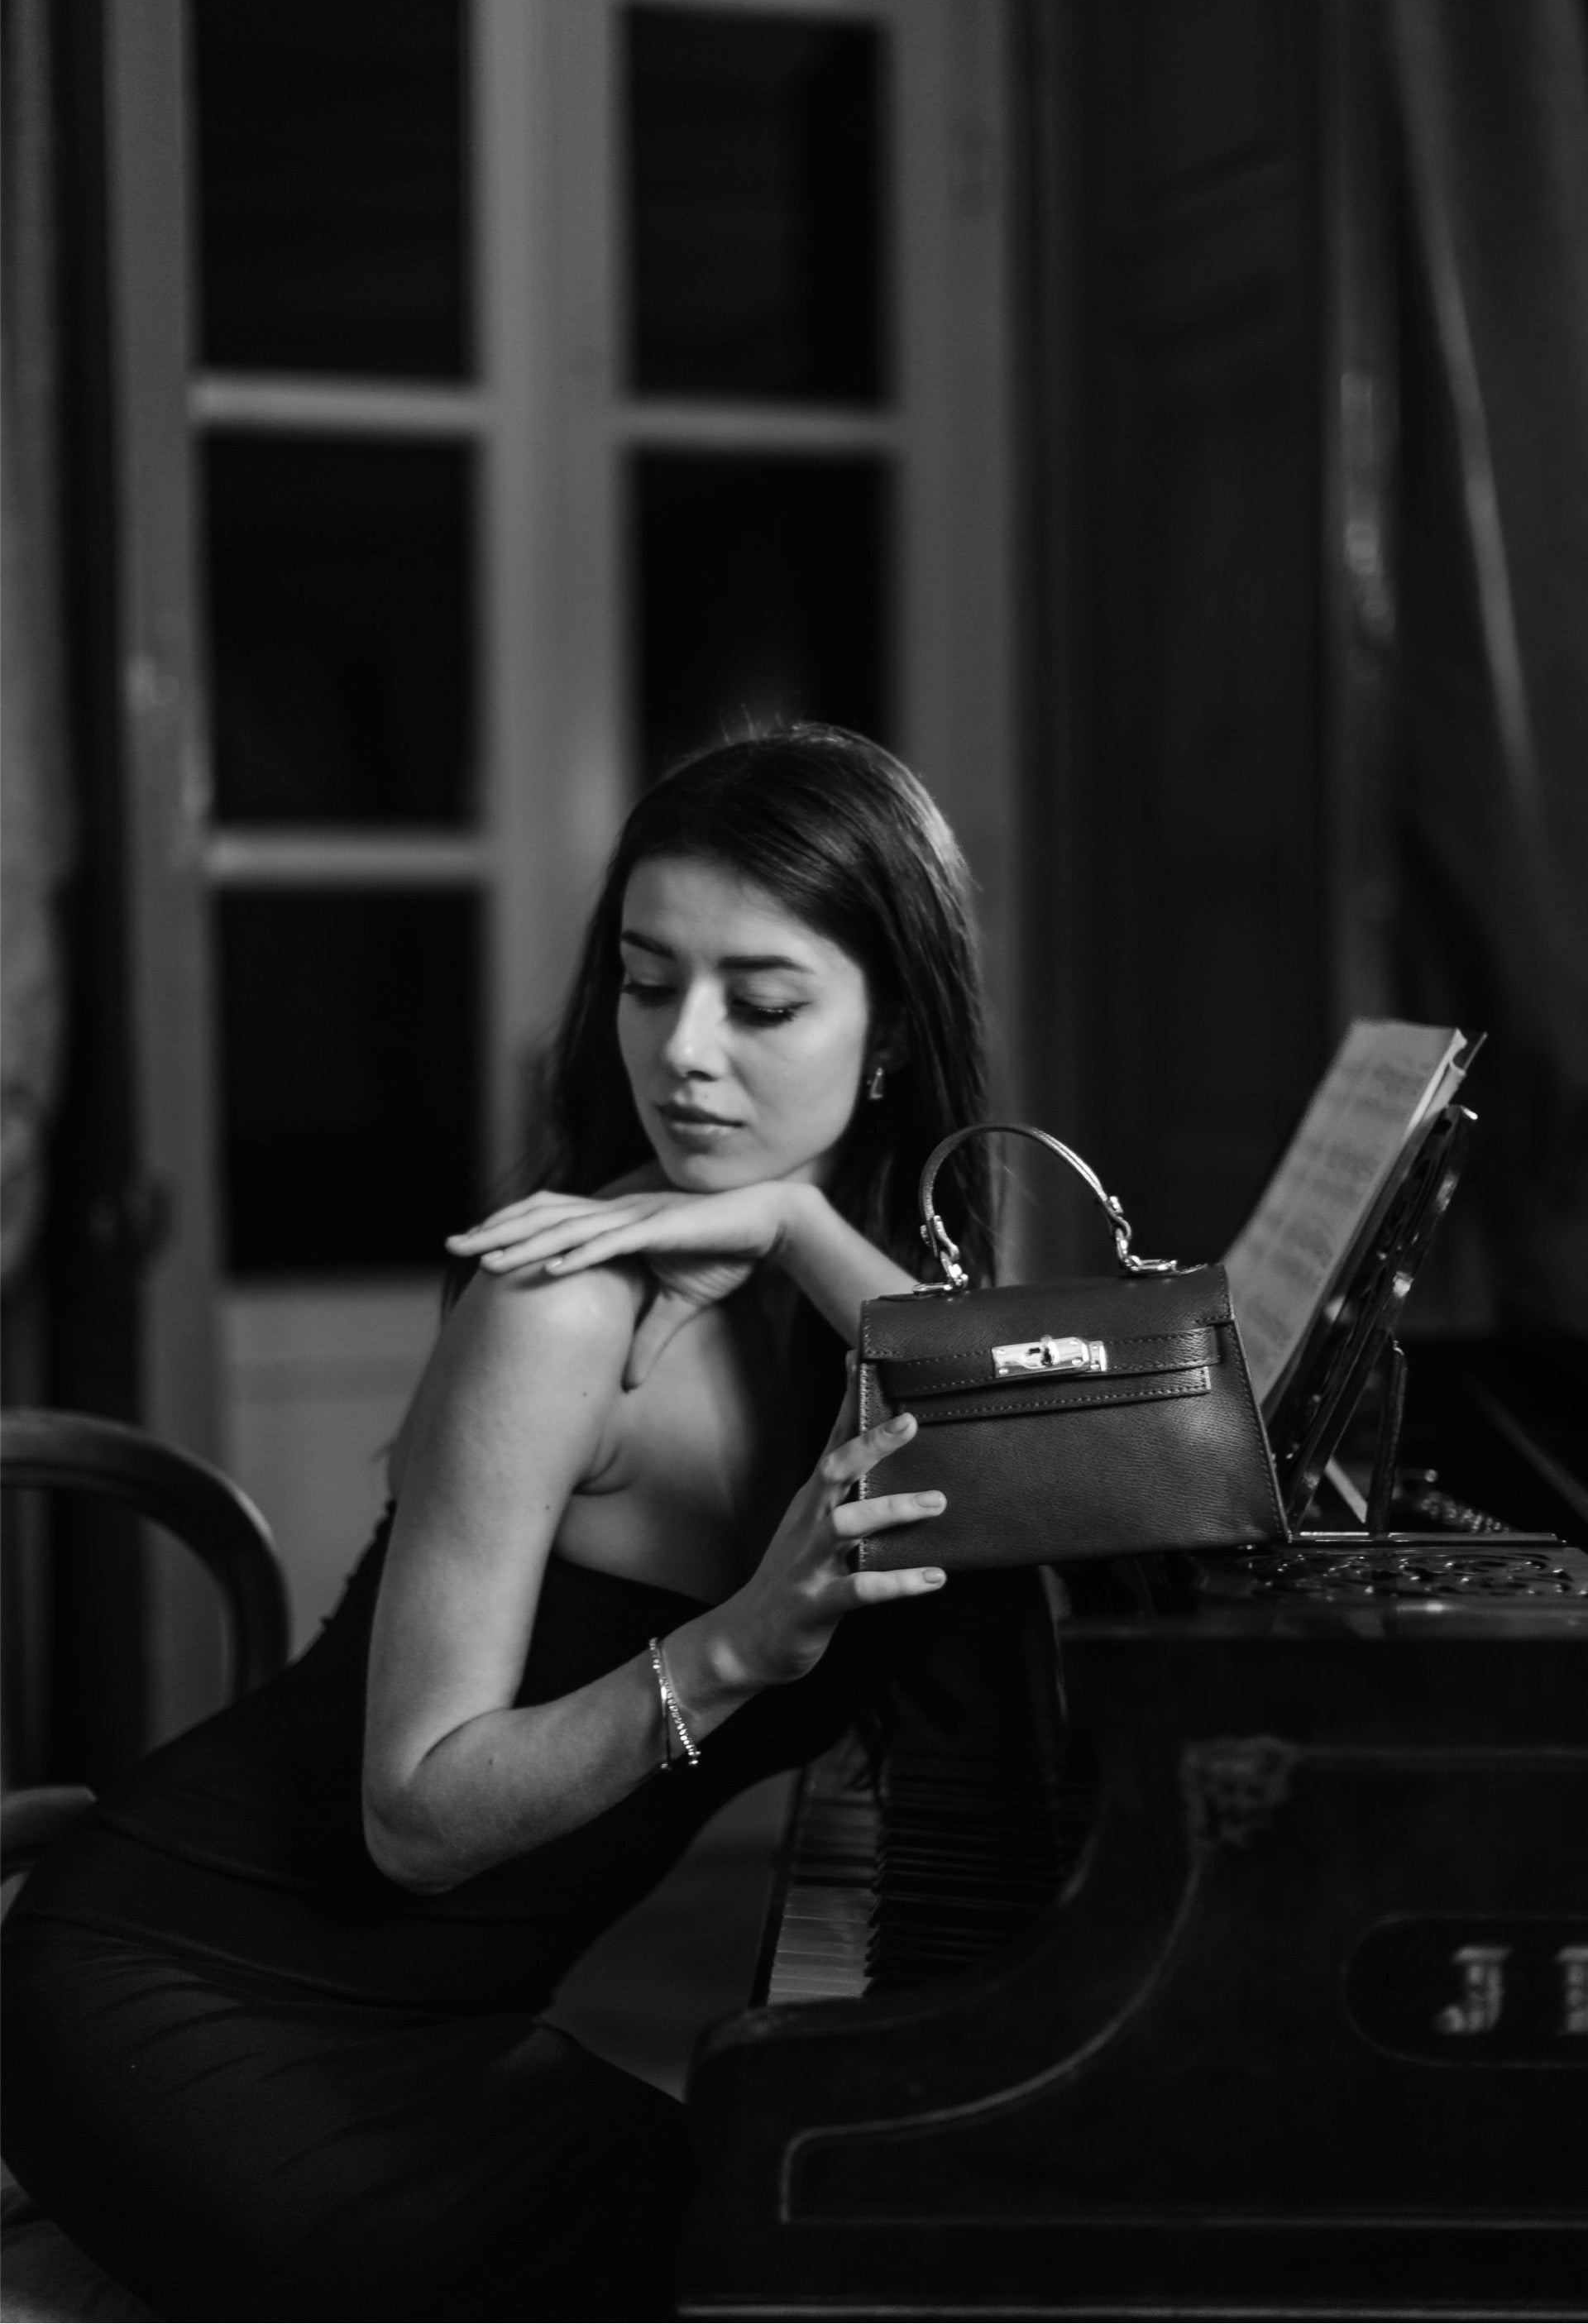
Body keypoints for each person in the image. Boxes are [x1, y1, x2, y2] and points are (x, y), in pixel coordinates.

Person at [2, 726, 997, 2322]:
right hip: (190, 2000)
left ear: (889, 1038)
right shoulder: (567, 1308)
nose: (682, 1051)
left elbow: (1037, 1448)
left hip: (443, 2038)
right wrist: (740, 1646)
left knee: (829, 2251)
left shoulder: (847, 1301)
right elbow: (414, 1818)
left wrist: (802, 1224)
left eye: (760, 1003)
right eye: (647, 981)